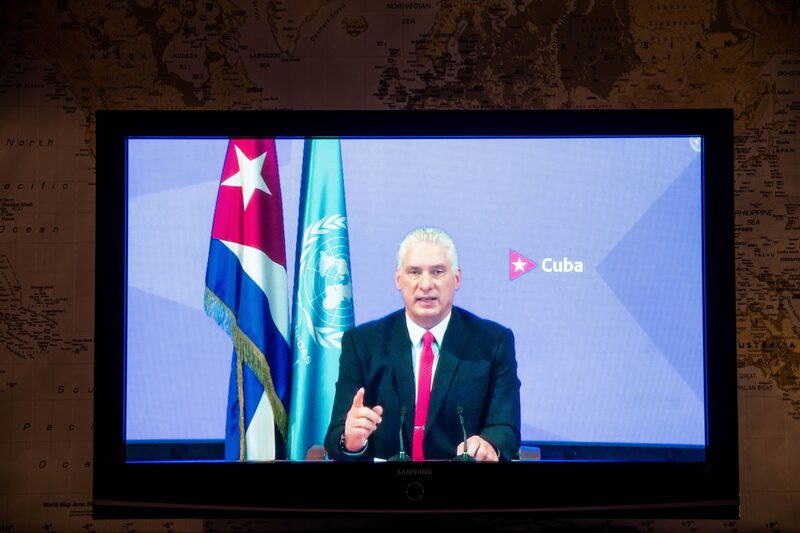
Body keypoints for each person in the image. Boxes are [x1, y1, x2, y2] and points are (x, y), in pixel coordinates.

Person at [324, 227, 521, 462]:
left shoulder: (492, 342)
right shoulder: (363, 343)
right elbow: (337, 434)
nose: (426, 284)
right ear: (398, 279)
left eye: (437, 272)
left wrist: (489, 444)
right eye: (414, 272)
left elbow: (506, 428)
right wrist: (352, 441)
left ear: (456, 278)